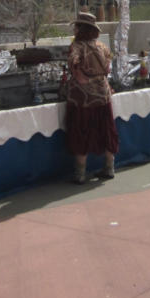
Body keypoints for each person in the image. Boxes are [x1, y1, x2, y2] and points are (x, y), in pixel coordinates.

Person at [65, 12, 119, 184]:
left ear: (82, 28)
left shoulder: (77, 46)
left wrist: (79, 74)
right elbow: (108, 68)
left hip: (83, 97)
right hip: (103, 94)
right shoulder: (102, 46)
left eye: (76, 26)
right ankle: (109, 167)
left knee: (81, 131)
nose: (74, 29)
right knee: (106, 129)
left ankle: (80, 174)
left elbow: (73, 62)